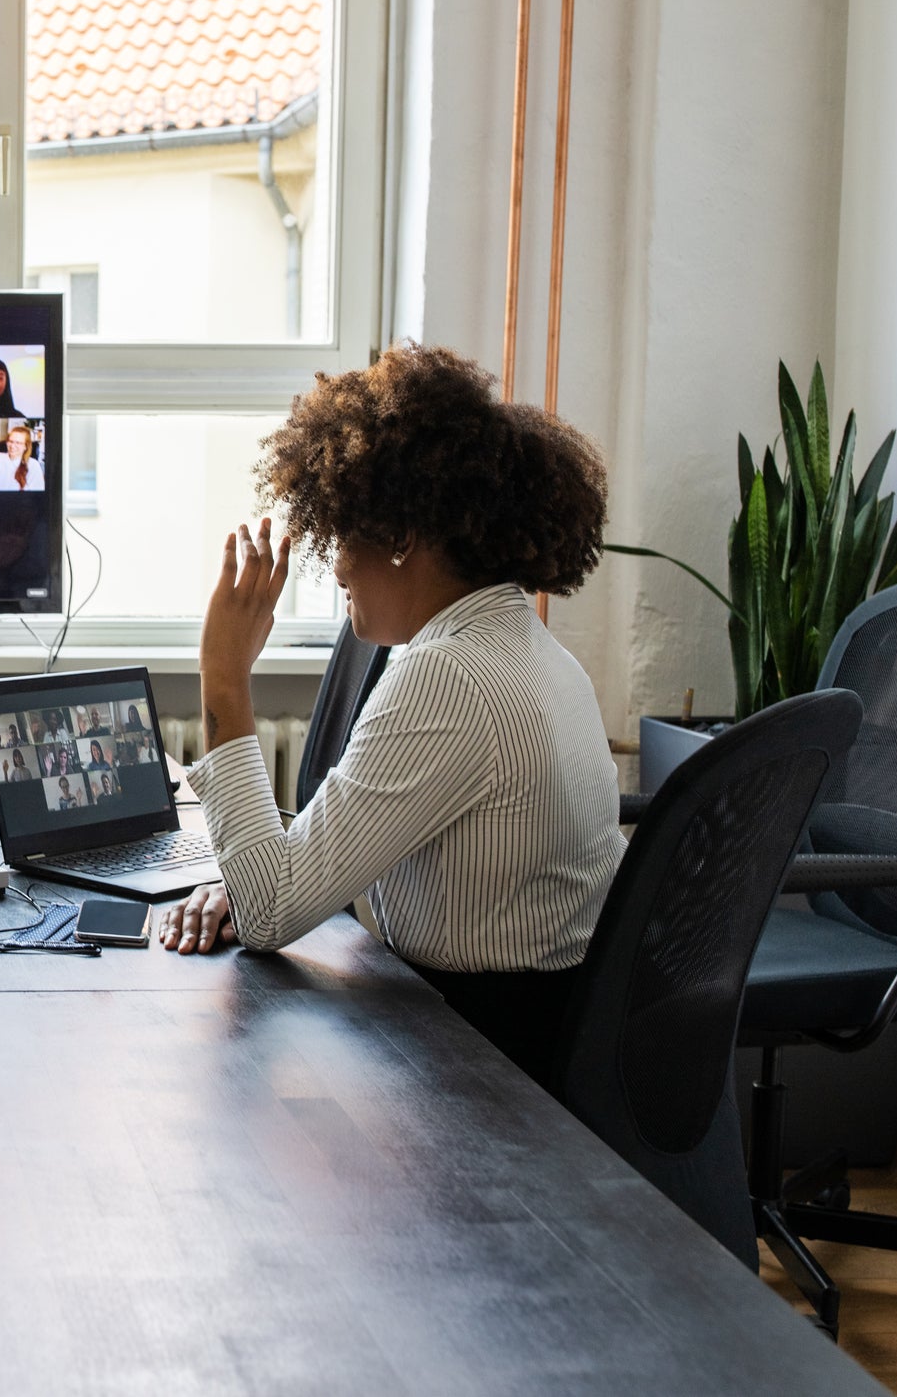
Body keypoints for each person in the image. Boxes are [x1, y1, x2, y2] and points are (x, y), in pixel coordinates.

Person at [154, 342, 621, 1090]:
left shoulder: (449, 677)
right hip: (518, 1025)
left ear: (401, 538)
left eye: (343, 535)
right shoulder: (516, 642)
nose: (335, 566)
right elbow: (301, 876)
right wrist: (257, 875)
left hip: (475, 1064)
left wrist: (223, 680)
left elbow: (271, 913)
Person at [0, 423, 45, 491]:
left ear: (25, 446)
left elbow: (36, 496)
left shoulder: (33, 465)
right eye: (10, 441)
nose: (12, 446)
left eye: (18, 443)